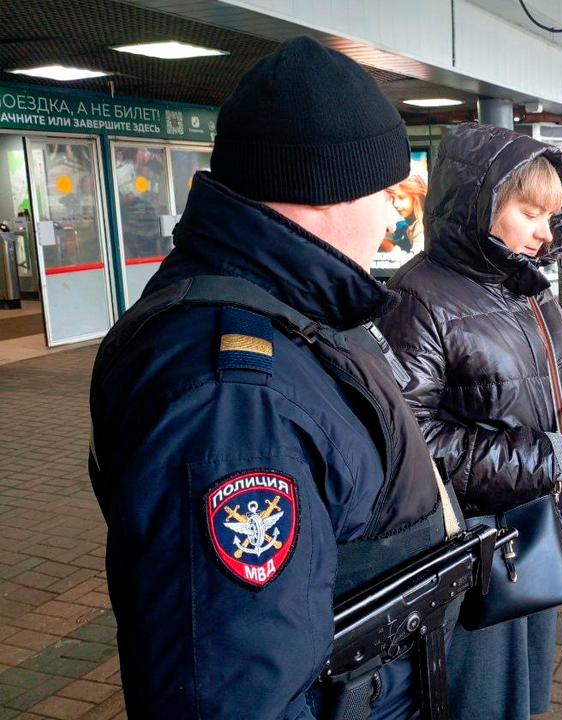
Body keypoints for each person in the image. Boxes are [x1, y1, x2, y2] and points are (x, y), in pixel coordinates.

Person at [88, 37, 462, 720]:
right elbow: (228, 693)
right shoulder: (234, 397)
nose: (391, 215)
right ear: (327, 191)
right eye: (385, 192)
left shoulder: (290, 314)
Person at [378, 123, 562, 720]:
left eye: (552, 214)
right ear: (476, 204)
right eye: (529, 211)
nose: (545, 231)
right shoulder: (421, 298)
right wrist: (545, 459)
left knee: (524, 696)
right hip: (475, 548)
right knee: (484, 702)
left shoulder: (525, 286)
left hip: (537, 527)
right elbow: (410, 441)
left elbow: (548, 389)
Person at [387, 172, 427, 254]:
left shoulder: (421, 227)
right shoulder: (405, 224)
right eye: (393, 198)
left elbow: (415, 260)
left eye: (401, 198)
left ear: (416, 198)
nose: (395, 204)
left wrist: (389, 247)